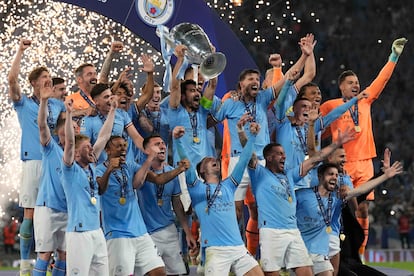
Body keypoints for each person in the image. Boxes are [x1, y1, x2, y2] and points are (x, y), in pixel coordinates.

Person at [211, 34, 315, 222]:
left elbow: (289, 77)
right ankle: (237, 248)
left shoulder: (263, 98)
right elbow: (210, 110)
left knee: (267, 207)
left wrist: (305, 56)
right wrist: (208, 81)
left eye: (257, 79)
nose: (255, 82)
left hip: (262, 161)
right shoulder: (229, 103)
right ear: (241, 83)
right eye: (251, 79)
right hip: (237, 160)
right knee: (235, 211)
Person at [319, 37, 407, 258]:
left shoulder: (365, 100)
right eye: (350, 82)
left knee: (364, 209)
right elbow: (318, 131)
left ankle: (360, 254)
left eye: (357, 82)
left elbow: (381, 80)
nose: (355, 85)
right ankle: (338, 252)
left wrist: (393, 57)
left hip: (366, 161)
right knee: (342, 209)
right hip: (344, 163)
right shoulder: (330, 106)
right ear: (341, 86)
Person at [247, 121, 354, 276]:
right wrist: (248, 136)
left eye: (284, 153)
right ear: (269, 158)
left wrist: (336, 143)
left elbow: (315, 160)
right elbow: (248, 156)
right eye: (280, 154)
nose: (284, 156)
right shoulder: (259, 174)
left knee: (306, 272)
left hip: (292, 231)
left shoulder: (290, 175)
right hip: (271, 231)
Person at [7, 38, 66, 276]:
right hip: (32, 161)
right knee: (30, 212)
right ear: (34, 83)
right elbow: (11, 80)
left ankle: (54, 262)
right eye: (45, 78)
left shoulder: (57, 105)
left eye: (50, 77)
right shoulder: (23, 104)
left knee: (56, 208)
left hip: (54, 162)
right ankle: (24, 265)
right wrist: (20, 50)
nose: (49, 80)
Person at [174, 123, 264, 276]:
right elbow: (187, 164)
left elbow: (243, 161)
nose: (214, 159)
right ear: (202, 170)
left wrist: (253, 137)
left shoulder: (229, 185)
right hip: (216, 251)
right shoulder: (197, 189)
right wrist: (177, 140)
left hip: (238, 248)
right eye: (209, 160)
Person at [96, 135, 189, 276]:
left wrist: (179, 169)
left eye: (124, 145)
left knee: (159, 272)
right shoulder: (99, 170)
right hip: (117, 234)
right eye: (118, 146)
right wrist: (109, 170)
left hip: (140, 232)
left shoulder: (130, 165)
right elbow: (100, 189)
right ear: (108, 150)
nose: (123, 149)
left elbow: (158, 179)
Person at [295, 158, 403, 275]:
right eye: (331, 174)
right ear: (320, 177)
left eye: (336, 175)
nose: (334, 178)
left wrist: (384, 176)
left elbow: (361, 190)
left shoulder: (337, 197)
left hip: (321, 251)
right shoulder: (302, 194)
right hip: (302, 248)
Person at [61, 95, 115, 275]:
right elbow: (69, 142)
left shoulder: (91, 167)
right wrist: (69, 114)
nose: (91, 149)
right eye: (86, 147)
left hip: (97, 231)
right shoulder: (70, 169)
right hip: (79, 232)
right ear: (76, 154)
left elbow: (105, 136)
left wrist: (113, 110)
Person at [32, 80, 82, 276]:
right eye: (66, 130)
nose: (71, 133)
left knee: (65, 254)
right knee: (45, 254)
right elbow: (42, 126)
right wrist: (44, 102)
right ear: (59, 133)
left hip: (68, 209)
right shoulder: (50, 148)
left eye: (75, 129)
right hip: (47, 207)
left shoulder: (81, 155)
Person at [138, 134, 197, 275]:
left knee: (176, 273)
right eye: (157, 144)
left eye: (163, 143)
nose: (162, 146)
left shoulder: (171, 171)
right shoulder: (140, 171)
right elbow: (159, 179)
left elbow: (177, 204)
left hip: (169, 230)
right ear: (146, 150)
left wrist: (187, 233)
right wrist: (179, 170)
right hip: (147, 233)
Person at [80, 83, 145, 163]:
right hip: (101, 168)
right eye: (106, 97)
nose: (110, 99)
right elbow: (85, 147)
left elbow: (137, 138)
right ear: (96, 101)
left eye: (111, 96)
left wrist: (150, 152)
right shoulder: (88, 120)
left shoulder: (121, 114)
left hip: (122, 166)